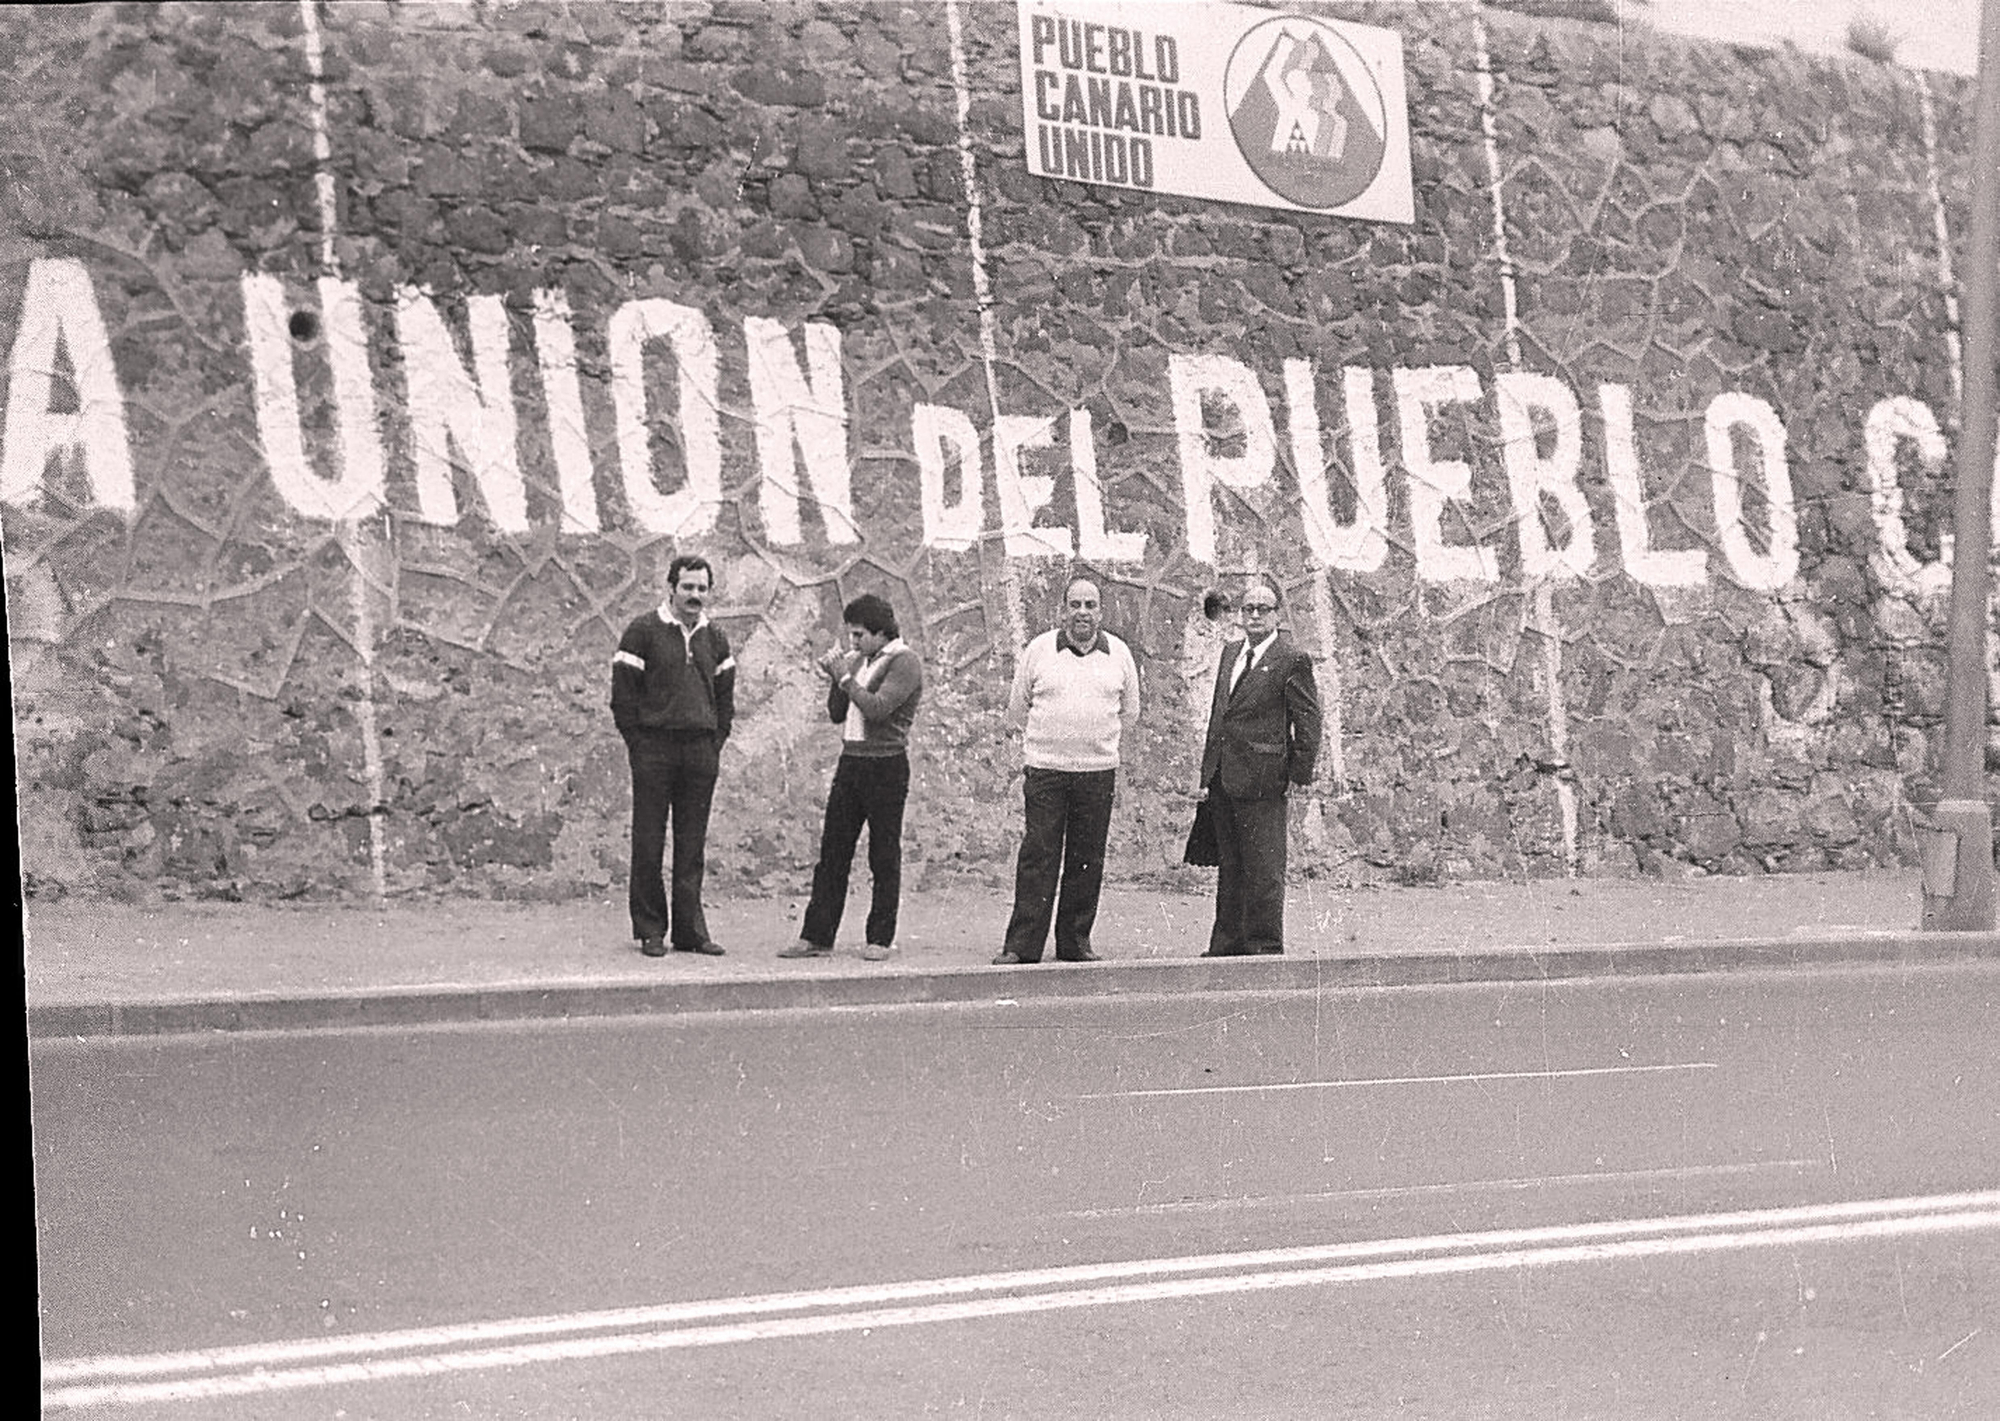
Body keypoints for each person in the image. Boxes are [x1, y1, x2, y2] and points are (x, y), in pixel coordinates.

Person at [993, 576, 1142, 965]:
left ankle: (1075, 943)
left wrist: (1092, 742)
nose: (1082, 613)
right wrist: (1053, 742)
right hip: (1046, 771)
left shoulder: (1120, 654)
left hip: (1096, 773)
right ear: (1063, 610)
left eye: (1090, 605)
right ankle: (1022, 947)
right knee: (1038, 857)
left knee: (1086, 858)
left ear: (1101, 612)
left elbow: (1130, 711)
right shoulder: (1039, 650)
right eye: (1075, 604)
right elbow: (1017, 706)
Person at [781, 594, 924, 963]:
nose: (854, 642)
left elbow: (878, 710)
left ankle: (880, 937)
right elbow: (836, 713)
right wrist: (837, 678)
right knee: (833, 853)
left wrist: (844, 678)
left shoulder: (905, 662)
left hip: (886, 766)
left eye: (859, 635)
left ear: (881, 633)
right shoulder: (860, 660)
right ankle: (816, 935)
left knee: (883, 854)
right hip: (852, 763)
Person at [611, 554, 735, 957]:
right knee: (648, 841)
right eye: (688, 587)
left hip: (699, 751)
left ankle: (690, 932)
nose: (695, 595)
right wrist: (641, 745)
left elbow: (725, 700)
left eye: (701, 588)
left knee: (692, 844)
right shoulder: (642, 631)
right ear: (671, 587)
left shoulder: (715, 638)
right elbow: (623, 699)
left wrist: (712, 744)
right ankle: (650, 929)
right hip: (654, 750)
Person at [1197, 577, 1322, 956]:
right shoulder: (1230, 653)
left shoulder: (1290, 658)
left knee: (1264, 868)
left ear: (1277, 615)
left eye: (1263, 609)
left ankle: (1264, 944)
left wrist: (1298, 774)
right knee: (1230, 865)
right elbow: (1222, 715)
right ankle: (1227, 943)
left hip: (1265, 777)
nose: (1254, 615)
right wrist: (1208, 771)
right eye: (1248, 609)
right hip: (1224, 776)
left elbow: (1308, 719)